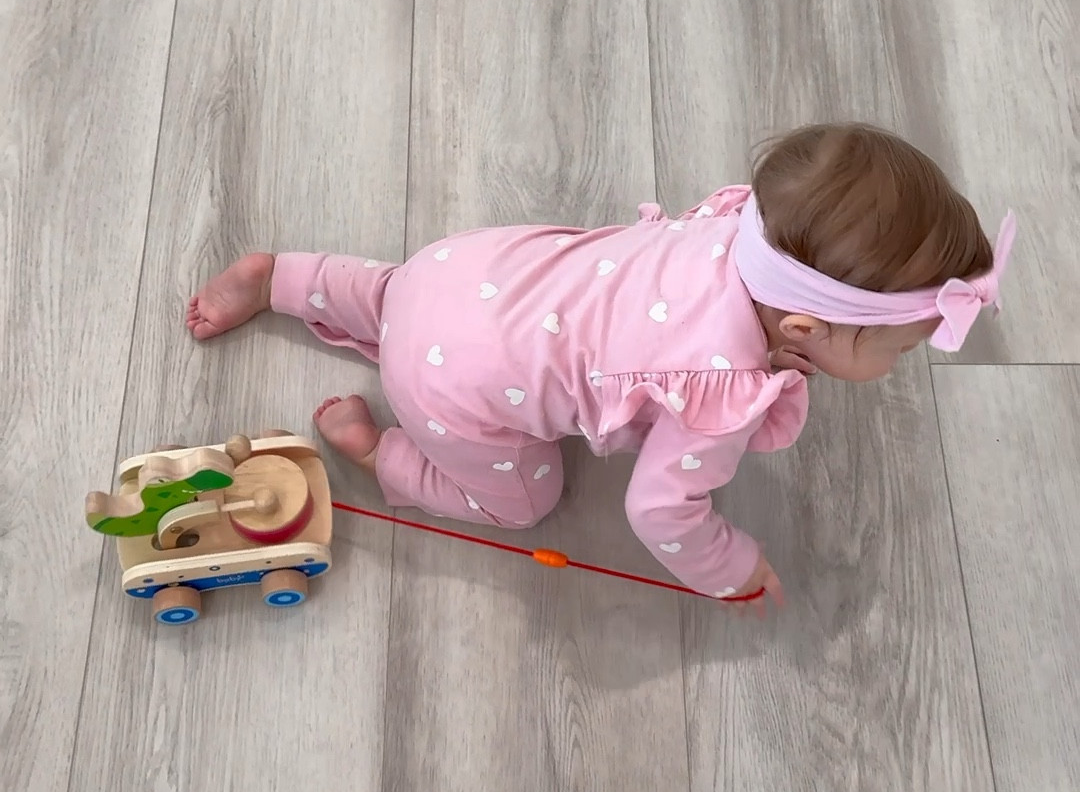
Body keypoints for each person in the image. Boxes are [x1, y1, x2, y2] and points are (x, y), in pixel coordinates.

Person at [186, 123, 1014, 607]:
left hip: (468, 268)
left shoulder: (734, 230)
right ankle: (385, 453)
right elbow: (663, 511)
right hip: (448, 385)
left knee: (393, 294)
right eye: (904, 347)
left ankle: (287, 278)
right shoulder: (719, 389)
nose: (907, 363)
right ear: (804, 328)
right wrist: (731, 570)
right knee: (524, 501)